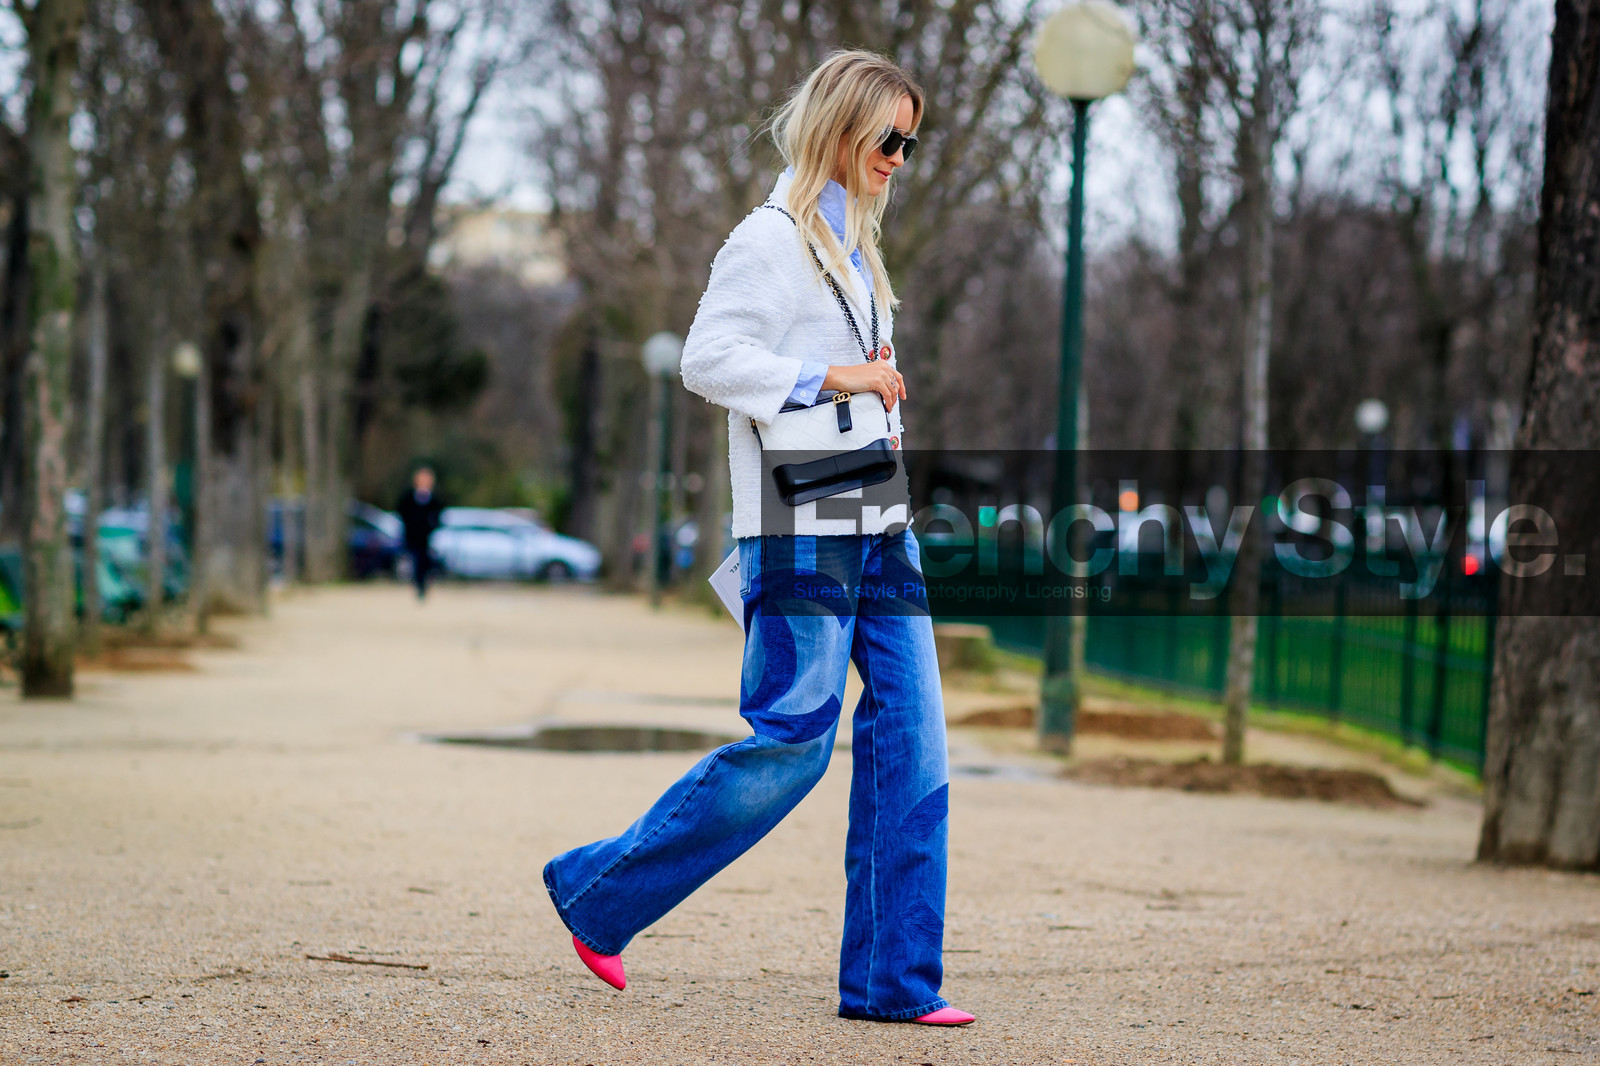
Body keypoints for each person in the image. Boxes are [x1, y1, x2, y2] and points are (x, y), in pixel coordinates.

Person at [542, 51, 972, 1027]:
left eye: (912, 140)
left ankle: (893, 982)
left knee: (915, 747)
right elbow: (708, 358)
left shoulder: (855, 250)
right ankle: (598, 894)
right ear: (838, 130)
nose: (900, 157)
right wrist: (837, 379)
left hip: (879, 527)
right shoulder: (769, 240)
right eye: (887, 138)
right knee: (793, 743)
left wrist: (872, 403)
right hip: (800, 531)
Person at [395, 465, 444, 599]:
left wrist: (431, 526)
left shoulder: (434, 498)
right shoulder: (409, 496)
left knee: (425, 561)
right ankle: (417, 585)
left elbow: (439, 515)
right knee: (414, 560)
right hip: (411, 535)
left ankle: (423, 586)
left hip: (426, 537)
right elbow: (401, 512)